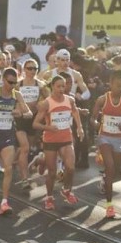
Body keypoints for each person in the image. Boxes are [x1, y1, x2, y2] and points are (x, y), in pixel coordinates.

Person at [32, 75, 85, 210]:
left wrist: (79, 127)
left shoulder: (70, 100)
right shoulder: (47, 103)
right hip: (50, 140)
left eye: (64, 86)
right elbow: (35, 124)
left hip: (66, 138)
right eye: (58, 86)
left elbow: (75, 112)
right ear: (52, 87)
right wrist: (48, 127)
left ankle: (67, 190)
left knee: (71, 167)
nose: (62, 89)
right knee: (52, 173)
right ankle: (49, 197)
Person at [91, 71, 121, 218]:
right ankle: (109, 206)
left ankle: (105, 179)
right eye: (118, 86)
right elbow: (93, 119)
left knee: (115, 171)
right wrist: (97, 124)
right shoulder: (102, 100)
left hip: (119, 139)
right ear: (110, 84)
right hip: (105, 137)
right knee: (110, 167)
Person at [0, 67, 32, 214]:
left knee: (8, 169)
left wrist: (20, 113)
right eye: (10, 82)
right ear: (3, 80)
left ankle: (4, 202)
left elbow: (29, 113)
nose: (12, 85)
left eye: (15, 83)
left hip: (7, 135)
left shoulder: (17, 95)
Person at [16, 58, 48, 189]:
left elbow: (49, 100)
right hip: (21, 119)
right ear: (24, 70)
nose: (32, 71)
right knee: (25, 148)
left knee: (28, 147)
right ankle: (25, 179)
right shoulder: (18, 85)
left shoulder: (40, 85)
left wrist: (42, 104)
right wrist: (16, 110)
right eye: (29, 68)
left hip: (34, 120)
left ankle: (20, 162)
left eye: (35, 68)